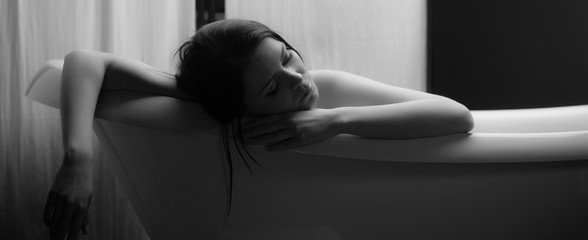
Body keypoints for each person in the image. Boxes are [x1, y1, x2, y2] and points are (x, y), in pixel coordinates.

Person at [43, 19, 474, 240]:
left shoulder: (333, 90)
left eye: (287, 57)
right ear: (238, 108)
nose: (299, 80)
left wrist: (336, 120)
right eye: (272, 88)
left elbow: (456, 115)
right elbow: (84, 61)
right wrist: (78, 159)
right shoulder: (213, 101)